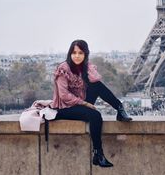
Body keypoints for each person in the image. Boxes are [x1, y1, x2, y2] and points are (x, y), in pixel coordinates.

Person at [51, 39, 132, 168]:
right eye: (74, 52)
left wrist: (88, 70)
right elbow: (64, 96)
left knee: (97, 85)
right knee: (95, 115)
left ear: (86, 54)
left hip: (78, 103)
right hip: (65, 108)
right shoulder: (63, 68)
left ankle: (119, 108)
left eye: (81, 53)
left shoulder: (86, 67)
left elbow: (95, 83)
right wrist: (85, 104)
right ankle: (98, 154)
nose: (77, 56)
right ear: (69, 54)